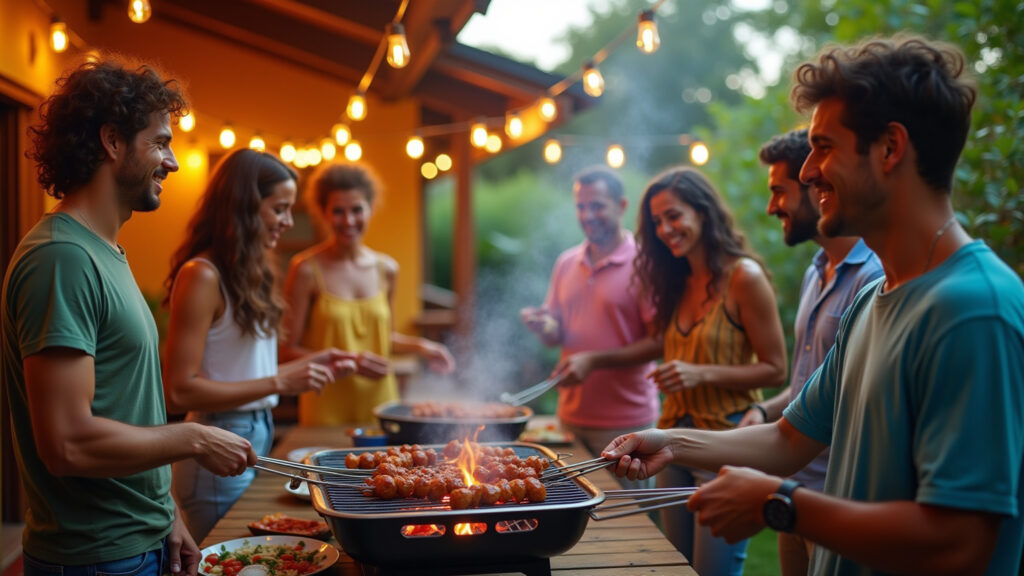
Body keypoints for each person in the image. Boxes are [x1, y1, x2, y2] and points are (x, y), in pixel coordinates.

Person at [603, 34, 1024, 576]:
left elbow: (960, 542)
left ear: (890, 148)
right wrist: (671, 443)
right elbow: (789, 439)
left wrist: (780, 504)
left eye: (824, 147)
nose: (806, 171)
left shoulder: (973, 310)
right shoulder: (872, 299)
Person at [2, 60, 255, 576]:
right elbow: (67, 444)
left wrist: (167, 511)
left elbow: (127, 410)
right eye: (160, 143)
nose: (173, 162)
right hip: (99, 557)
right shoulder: (62, 258)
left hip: (139, 541)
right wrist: (195, 438)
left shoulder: (104, 251)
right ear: (112, 141)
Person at [162, 148, 357, 541]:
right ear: (244, 207)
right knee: (231, 557)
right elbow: (178, 390)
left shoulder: (248, 271)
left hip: (254, 431)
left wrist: (312, 363)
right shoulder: (202, 274)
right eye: (279, 209)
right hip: (217, 439)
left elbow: (243, 373)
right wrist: (281, 382)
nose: (288, 221)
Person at [736, 128, 883, 576]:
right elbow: (811, 383)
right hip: (793, 487)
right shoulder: (814, 273)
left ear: (817, 188)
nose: (771, 207)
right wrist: (762, 411)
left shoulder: (873, 277)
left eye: (779, 191)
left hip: (836, 500)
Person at [632, 166, 788, 576]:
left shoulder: (744, 277)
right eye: (657, 221)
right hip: (671, 443)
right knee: (677, 567)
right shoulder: (674, 281)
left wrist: (701, 373)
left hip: (727, 442)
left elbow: (776, 369)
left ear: (703, 212)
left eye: (674, 215)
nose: (665, 229)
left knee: (712, 571)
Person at [282, 161, 455, 426]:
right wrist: (350, 361)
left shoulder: (387, 269)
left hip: (381, 401)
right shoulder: (305, 269)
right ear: (323, 212)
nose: (348, 220)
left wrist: (425, 347)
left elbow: (385, 338)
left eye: (356, 209)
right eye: (338, 211)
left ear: (370, 209)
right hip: (326, 403)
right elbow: (286, 350)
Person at [519, 166, 660, 489]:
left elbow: (660, 342)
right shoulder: (566, 263)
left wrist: (593, 360)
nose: (587, 215)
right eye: (581, 207)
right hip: (569, 420)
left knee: (628, 517)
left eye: (597, 206)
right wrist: (544, 327)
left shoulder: (645, 263)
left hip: (627, 424)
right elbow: (556, 335)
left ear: (621, 206)